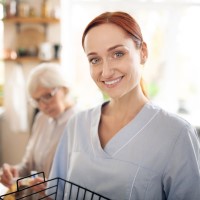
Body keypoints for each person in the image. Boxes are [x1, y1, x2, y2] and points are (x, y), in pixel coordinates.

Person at [47, 11, 200, 199]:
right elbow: (56, 194)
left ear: (143, 52)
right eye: (95, 59)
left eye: (118, 54)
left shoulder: (177, 134)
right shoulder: (77, 124)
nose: (106, 71)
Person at [0, 62, 78, 189]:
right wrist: (15, 172)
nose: (43, 106)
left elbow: (82, 181)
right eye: (37, 100)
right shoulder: (41, 118)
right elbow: (29, 165)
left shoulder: (80, 122)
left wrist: (53, 187)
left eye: (48, 96)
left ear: (65, 88)